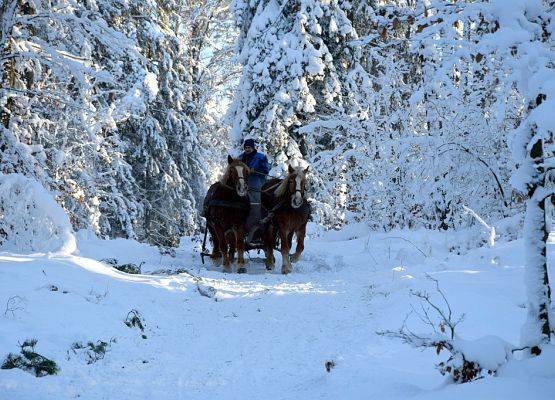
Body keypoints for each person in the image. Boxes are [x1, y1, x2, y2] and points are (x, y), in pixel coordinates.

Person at [240, 138, 269, 244]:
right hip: (243, 187)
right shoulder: (241, 157)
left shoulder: (261, 157)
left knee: (255, 206)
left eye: (249, 147)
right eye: (246, 147)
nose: (247, 149)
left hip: (256, 186)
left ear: (253, 147)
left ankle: (256, 227)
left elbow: (266, 170)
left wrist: (255, 170)